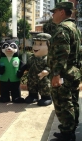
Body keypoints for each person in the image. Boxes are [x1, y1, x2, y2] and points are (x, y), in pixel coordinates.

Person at [48, 2, 81, 140]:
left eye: (54, 12)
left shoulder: (62, 28)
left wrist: (56, 74)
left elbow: (62, 54)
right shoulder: (74, 27)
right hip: (73, 72)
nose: (52, 15)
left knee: (63, 103)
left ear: (62, 12)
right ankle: (71, 129)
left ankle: (67, 133)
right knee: (72, 101)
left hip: (64, 74)